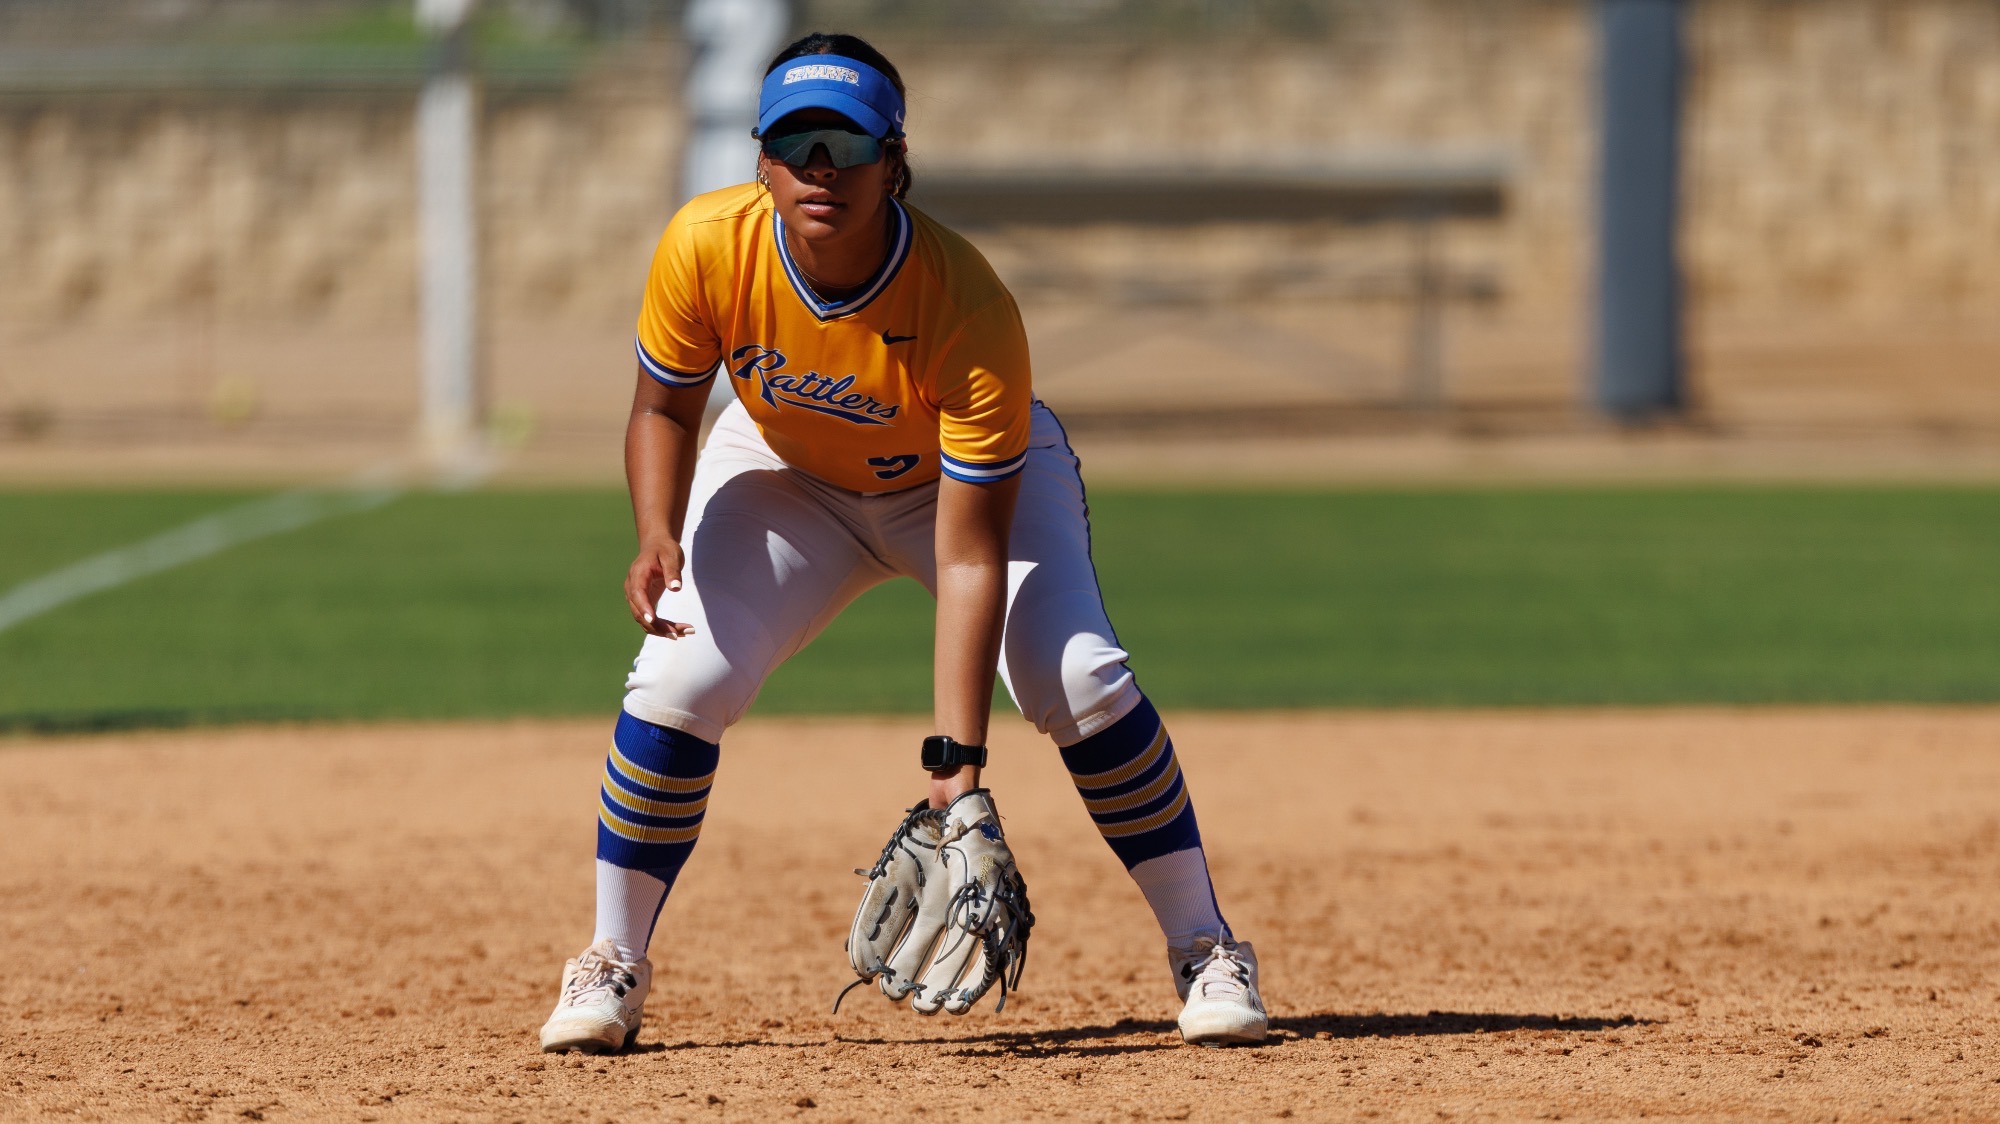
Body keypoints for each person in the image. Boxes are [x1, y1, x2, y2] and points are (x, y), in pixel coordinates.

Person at [537, 31, 1268, 1053]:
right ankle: (611, 959)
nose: (820, 168)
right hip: (785, 472)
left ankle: (1206, 947)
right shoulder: (706, 244)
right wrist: (655, 530)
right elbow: (663, 405)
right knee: (677, 681)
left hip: (956, 490)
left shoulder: (962, 300)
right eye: (795, 143)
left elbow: (969, 554)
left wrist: (955, 768)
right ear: (760, 159)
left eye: (846, 142)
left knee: (1079, 679)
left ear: (894, 160)